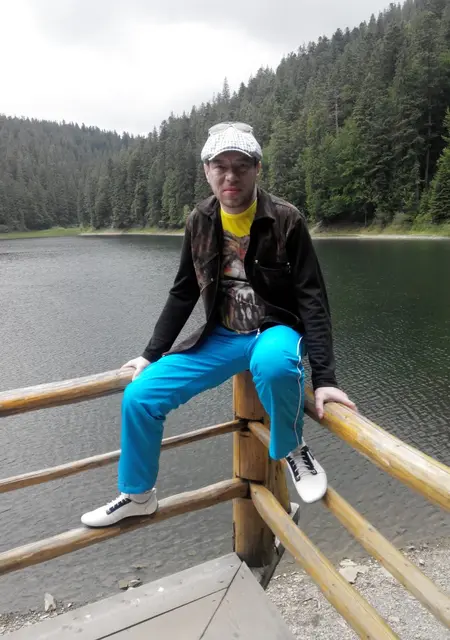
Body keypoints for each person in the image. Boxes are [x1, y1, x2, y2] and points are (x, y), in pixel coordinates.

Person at [81, 122, 356, 528]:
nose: (230, 176)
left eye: (241, 166)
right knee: (140, 396)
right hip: (222, 334)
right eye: (220, 166)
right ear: (206, 171)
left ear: (257, 168)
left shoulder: (286, 219)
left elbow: (312, 299)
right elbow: (183, 291)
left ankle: (292, 448)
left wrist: (326, 378)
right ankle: (138, 494)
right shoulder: (200, 220)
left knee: (276, 367)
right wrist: (150, 354)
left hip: (273, 329)